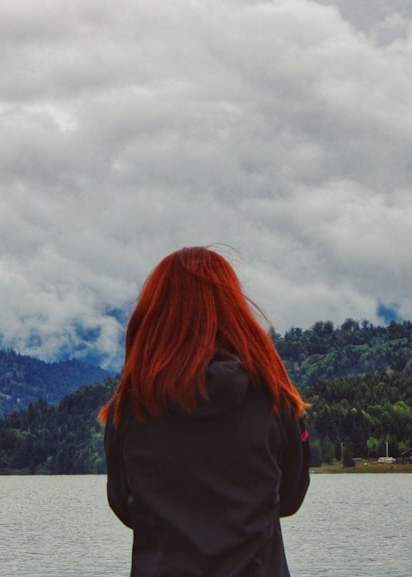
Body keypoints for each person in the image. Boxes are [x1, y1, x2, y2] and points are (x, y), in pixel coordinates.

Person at [100, 246, 310, 577]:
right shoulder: (275, 399)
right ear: (234, 310)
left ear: (155, 315)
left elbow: (124, 505)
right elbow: (290, 499)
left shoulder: (128, 408)